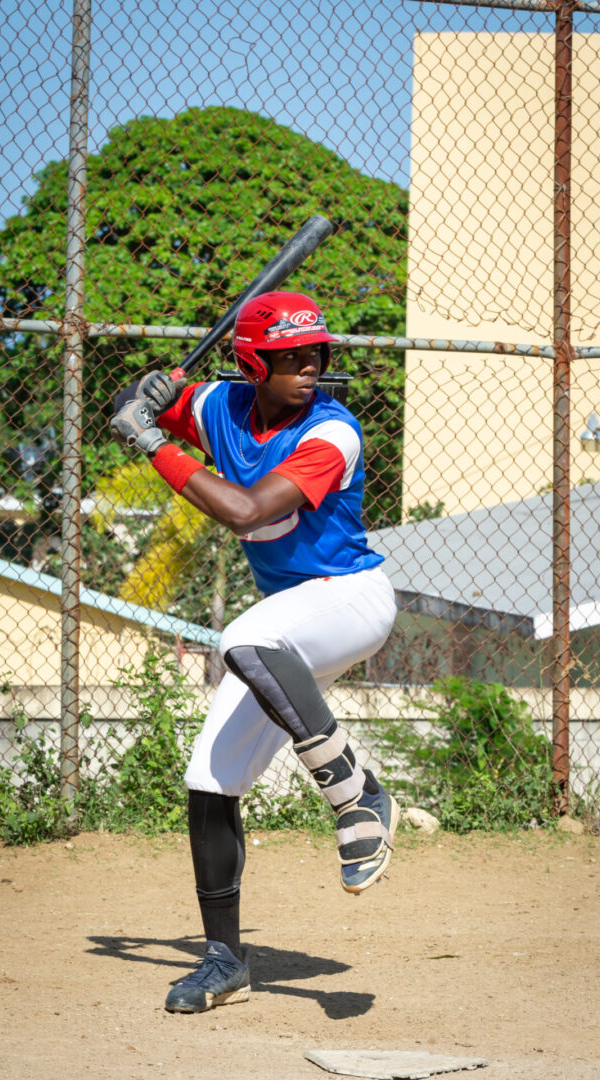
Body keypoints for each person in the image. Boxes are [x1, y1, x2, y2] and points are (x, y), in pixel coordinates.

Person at [111, 291, 398, 1014]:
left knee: (243, 636)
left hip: (350, 600)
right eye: (290, 359)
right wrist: (149, 392)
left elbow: (242, 510)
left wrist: (152, 442)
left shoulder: (333, 433)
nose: (309, 370)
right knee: (210, 774)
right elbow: (131, 406)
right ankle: (224, 959)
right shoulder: (218, 407)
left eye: (316, 357)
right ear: (250, 363)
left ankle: (356, 793)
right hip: (286, 624)